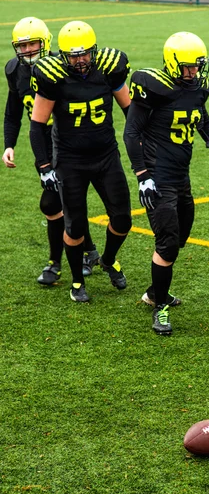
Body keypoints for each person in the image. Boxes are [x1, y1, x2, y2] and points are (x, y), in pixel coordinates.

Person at [124, 31, 209, 336]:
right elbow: (131, 134)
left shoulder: (197, 87)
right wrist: (143, 178)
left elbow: (201, 116)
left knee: (180, 238)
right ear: (172, 63)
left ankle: (155, 291)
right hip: (157, 177)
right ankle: (160, 309)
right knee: (166, 243)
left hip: (181, 175)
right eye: (188, 66)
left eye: (197, 66)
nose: (193, 72)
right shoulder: (154, 88)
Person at [29, 20, 132, 302]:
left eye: (85, 53)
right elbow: (37, 125)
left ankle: (108, 259)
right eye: (73, 55)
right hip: (70, 161)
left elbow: (130, 112)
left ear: (94, 50)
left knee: (122, 219)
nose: (80, 59)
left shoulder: (110, 69)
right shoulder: (53, 77)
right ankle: (77, 283)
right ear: (63, 55)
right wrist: (44, 166)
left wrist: (144, 152)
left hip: (106, 156)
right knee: (74, 225)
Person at [3, 17, 99, 286]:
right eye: (21, 46)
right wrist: (9, 144)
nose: (27, 51)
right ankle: (87, 253)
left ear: (45, 42)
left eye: (32, 44)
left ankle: (57, 262)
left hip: (67, 144)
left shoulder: (60, 67)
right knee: (65, 203)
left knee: (55, 202)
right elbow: (13, 112)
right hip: (42, 145)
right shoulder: (14, 70)